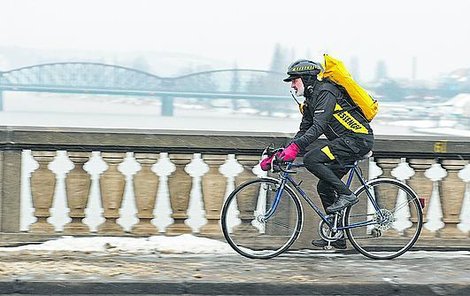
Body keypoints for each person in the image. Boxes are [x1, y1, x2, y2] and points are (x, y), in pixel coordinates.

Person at [260, 59, 374, 249]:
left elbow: (318, 127)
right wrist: (285, 151)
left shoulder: (325, 92)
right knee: (324, 186)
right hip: (344, 143)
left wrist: (296, 149)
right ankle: (337, 235)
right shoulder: (310, 100)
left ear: (306, 79)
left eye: (294, 80)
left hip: (357, 140)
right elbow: (304, 130)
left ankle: (347, 194)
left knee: (312, 159)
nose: (292, 85)